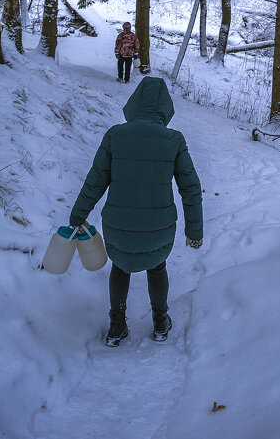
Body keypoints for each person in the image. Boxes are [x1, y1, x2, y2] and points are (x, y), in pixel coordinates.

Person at [69, 77, 203, 346]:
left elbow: (96, 179)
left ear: (134, 104)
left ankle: (117, 325)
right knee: (157, 266)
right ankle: (161, 322)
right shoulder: (173, 140)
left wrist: (78, 215)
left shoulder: (115, 135)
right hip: (159, 226)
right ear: (166, 107)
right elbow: (190, 188)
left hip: (118, 225)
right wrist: (194, 231)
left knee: (121, 265)